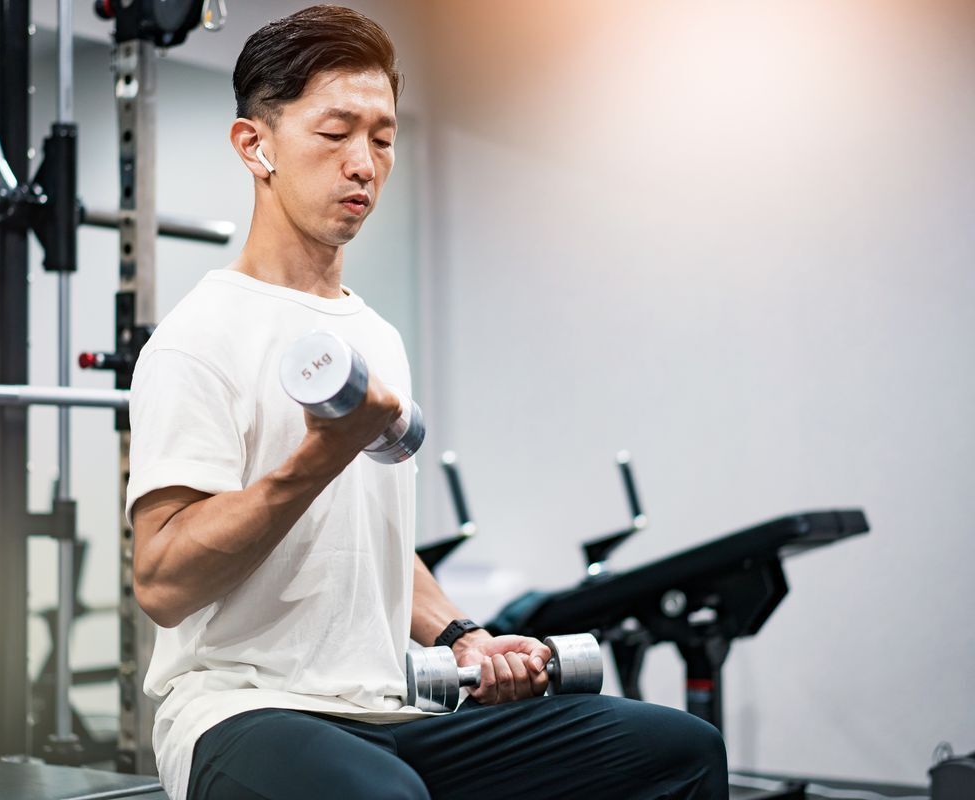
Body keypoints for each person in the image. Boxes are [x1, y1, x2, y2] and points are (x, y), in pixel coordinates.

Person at [126, 5, 728, 799]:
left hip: (392, 706)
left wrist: (464, 636)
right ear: (255, 145)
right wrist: (319, 456)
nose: (364, 164)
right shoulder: (197, 338)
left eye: (382, 138)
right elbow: (163, 582)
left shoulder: (374, 334)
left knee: (677, 750)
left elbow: (368, 539)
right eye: (335, 133)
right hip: (244, 710)